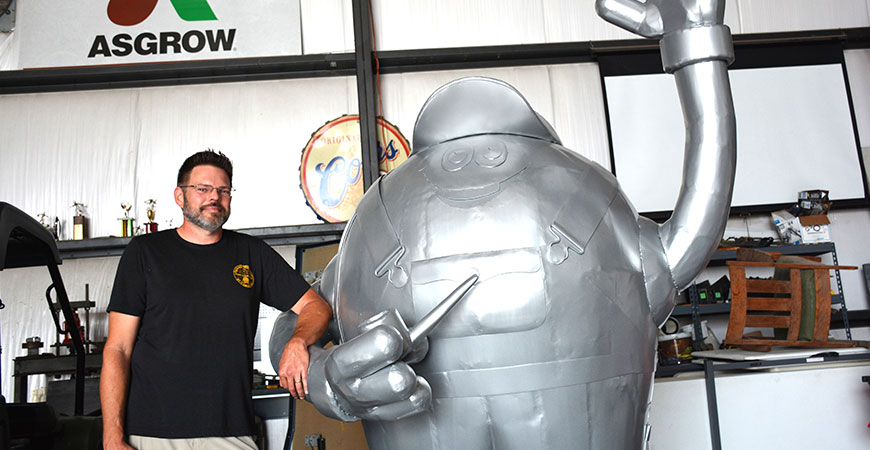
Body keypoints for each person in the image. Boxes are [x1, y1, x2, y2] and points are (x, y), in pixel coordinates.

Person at [100, 150, 332, 449]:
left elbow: (316, 306)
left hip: (230, 432)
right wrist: (111, 437)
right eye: (203, 189)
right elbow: (118, 349)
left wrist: (298, 342)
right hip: (151, 433)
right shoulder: (145, 252)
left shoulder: (252, 254)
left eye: (223, 190)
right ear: (179, 196)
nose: (214, 197)